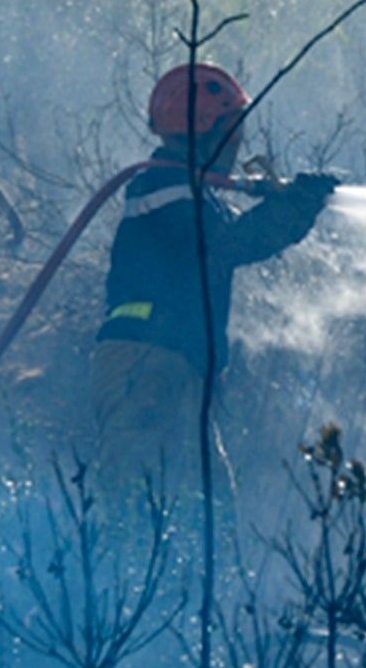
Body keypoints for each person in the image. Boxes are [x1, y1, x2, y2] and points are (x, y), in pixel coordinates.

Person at [88, 63, 334, 488]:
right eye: (231, 126)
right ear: (203, 128)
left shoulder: (189, 191)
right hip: (144, 363)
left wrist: (294, 206)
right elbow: (227, 246)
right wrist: (294, 208)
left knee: (208, 506)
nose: (238, 140)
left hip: (174, 365)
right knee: (133, 500)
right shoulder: (160, 186)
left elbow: (231, 240)